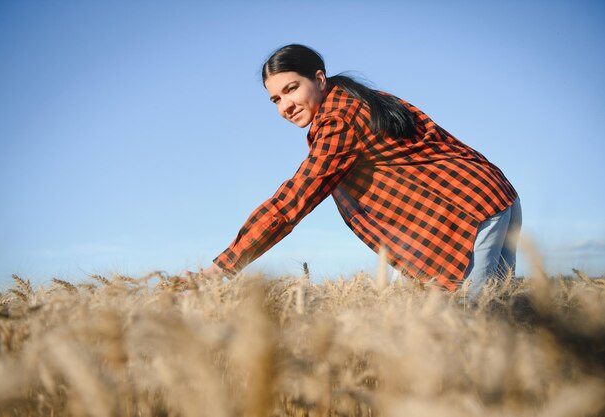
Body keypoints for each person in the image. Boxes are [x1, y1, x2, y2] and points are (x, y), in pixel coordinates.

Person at [197, 44, 521, 297]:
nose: (285, 106)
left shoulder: (341, 120)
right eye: (275, 100)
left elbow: (292, 202)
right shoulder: (358, 99)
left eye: (292, 89)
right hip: (490, 195)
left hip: (468, 214)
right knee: (491, 314)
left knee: (467, 320)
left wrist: (221, 268)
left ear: (319, 79)